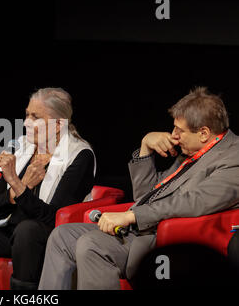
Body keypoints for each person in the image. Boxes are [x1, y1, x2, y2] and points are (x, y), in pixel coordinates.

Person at [39, 87, 239, 289]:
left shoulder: (233, 157)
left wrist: (131, 216)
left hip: (164, 237)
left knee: (91, 244)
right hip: (141, 229)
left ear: (204, 133)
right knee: (61, 236)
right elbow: (146, 195)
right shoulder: (193, 152)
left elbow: (195, 201)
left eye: (180, 130)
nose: (173, 136)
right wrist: (144, 149)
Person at [0, 87, 96, 289]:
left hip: (48, 238)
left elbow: (54, 218)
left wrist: (17, 184)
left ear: (58, 125)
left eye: (35, 117)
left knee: (27, 230)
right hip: (10, 233)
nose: (26, 123)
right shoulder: (19, 146)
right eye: (27, 115)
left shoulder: (79, 155)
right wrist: (21, 186)